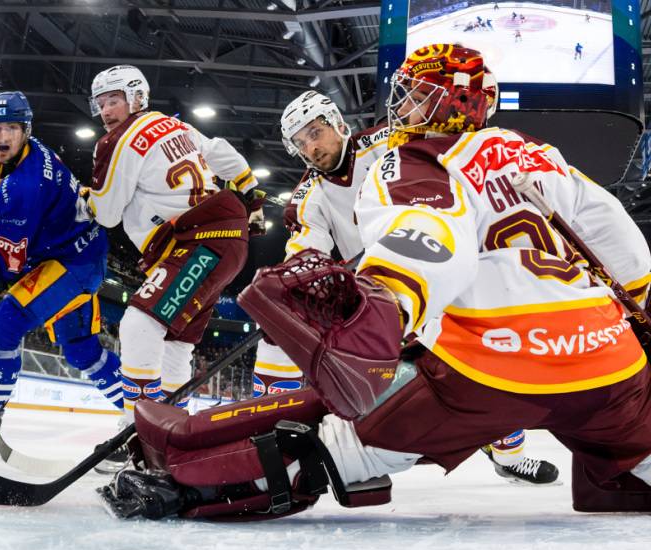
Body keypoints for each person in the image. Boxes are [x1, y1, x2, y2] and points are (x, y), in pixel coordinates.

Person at [100, 43, 651, 520]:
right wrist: (637, 307)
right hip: (611, 362)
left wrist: (383, 304)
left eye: (414, 95)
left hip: (484, 355)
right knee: (637, 444)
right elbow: (618, 239)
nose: (402, 105)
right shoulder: (538, 153)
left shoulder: (402, 157)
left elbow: (429, 238)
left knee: (350, 442)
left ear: (444, 102)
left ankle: (197, 483)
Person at [254, 90, 557, 484]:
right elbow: (305, 254)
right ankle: (267, 425)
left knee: (483, 359)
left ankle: (508, 453)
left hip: (436, 266)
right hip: (381, 294)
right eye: (300, 142)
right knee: (276, 338)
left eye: (315, 132)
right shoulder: (308, 197)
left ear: (337, 124)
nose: (311, 146)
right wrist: (294, 293)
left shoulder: (388, 142)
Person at [0, 91, 126, 460]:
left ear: (26, 130)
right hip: (75, 252)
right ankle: (140, 414)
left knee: (1, 326)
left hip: (72, 264)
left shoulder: (25, 186)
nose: (2, 137)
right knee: (82, 350)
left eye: (11, 129)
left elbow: (7, 261)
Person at [85, 65, 263, 426]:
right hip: (223, 240)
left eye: (114, 100)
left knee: (138, 324)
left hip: (201, 242)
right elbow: (223, 153)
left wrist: (84, 199)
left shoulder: (117, 141)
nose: (106, 112)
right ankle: (174, 433)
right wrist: (251, 193)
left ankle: (137, 431)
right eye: (101, 103)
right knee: (175, 344)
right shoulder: (175, 125)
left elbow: (105, 214)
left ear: (137, 98)